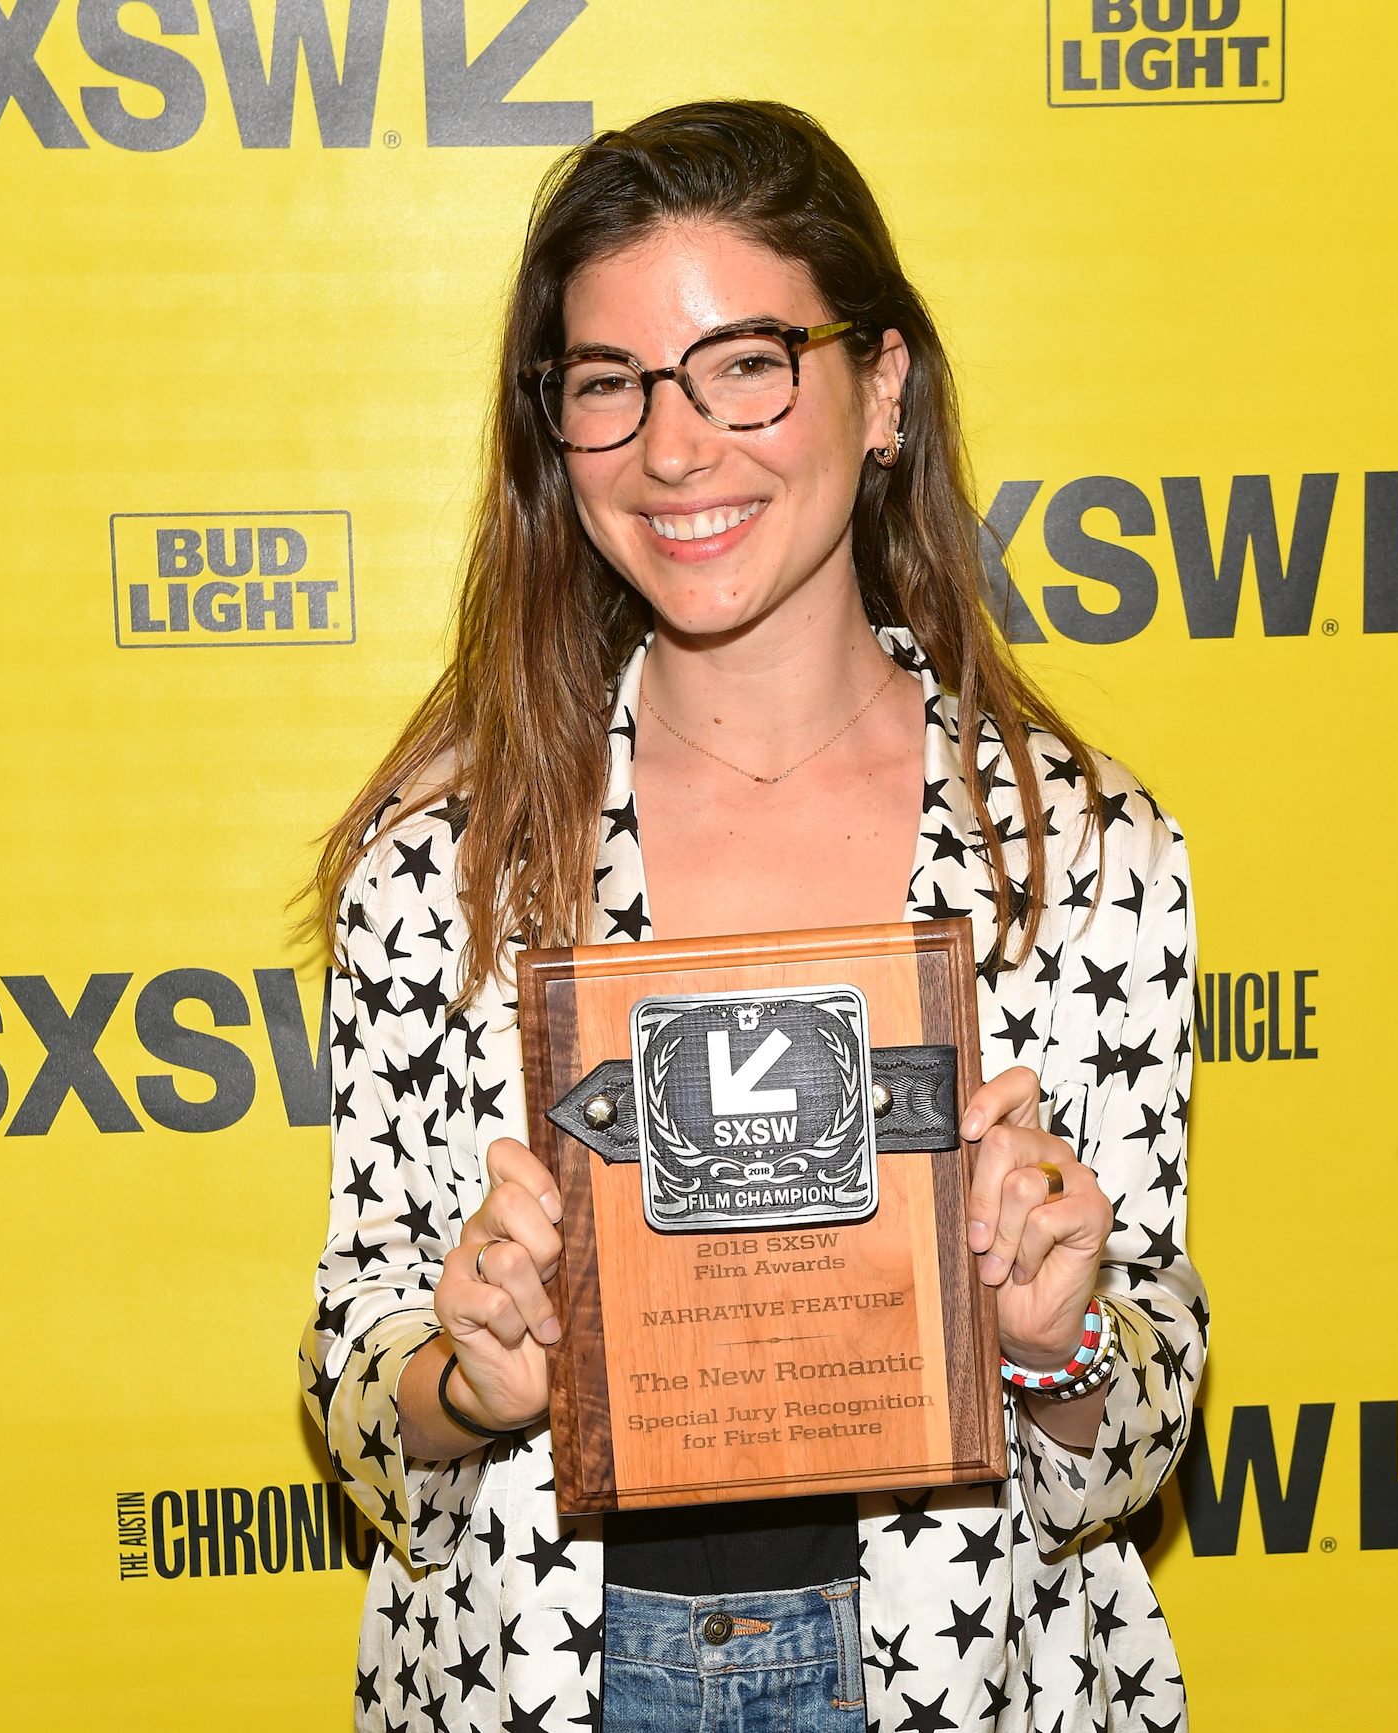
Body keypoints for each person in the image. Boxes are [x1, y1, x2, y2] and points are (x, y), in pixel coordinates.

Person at [300, 100, 1206, 1732]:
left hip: (961, 1678)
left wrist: (1056, 1337)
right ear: (555, 430)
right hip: (543, 1679)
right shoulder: (450, 860)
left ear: (879, 389)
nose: (672, 445)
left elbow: (1133, 1438)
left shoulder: (1076, 855)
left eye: (744, 363)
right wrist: (463, 1378)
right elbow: (359, 1397)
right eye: (610, 384)